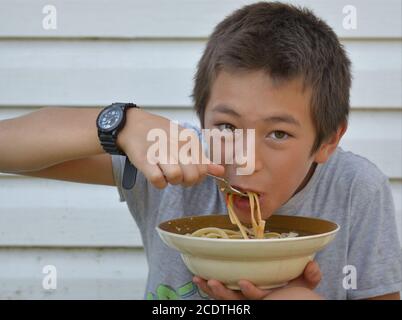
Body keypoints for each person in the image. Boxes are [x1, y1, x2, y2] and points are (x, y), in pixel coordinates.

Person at [0, 2, 400, 300]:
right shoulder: (171, 162)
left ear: (328, 141)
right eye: (226, 127)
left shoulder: (355, 189)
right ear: (202, 116)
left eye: (278, 134)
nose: (245, 157)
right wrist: (122, 123)